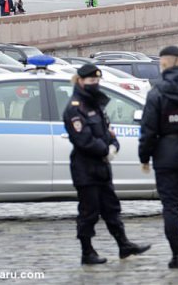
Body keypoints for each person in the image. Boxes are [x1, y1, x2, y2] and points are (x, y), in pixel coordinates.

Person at [63, 64, 151, 265]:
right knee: (89, 211)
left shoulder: (95, 105)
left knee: (111, 208)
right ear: (81, 81)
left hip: (102, 167)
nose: (95, 84)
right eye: (91, 81)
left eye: (97, 81)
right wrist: (105, 150)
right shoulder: (75, 108)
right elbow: (83, 139)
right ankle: (87, 252)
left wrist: (113, 146)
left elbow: (108, 133)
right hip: (85, 168)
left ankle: (124, 245)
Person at [139, 46, 178, 269]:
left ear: (163, 63)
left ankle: (177, 255)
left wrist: (144, 156)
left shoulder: (156, 93)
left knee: (170, 207)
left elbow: (148, 130)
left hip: (165, 155)